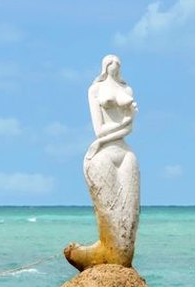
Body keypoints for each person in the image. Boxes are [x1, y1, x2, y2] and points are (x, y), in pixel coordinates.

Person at [64, 54, 141, 271]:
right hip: (104, 151)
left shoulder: (127, 90)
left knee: (129, 211)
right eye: (110, 64)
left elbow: (129, 128)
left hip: (125, 152)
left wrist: (126, 122)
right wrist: (104, 140)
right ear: (104, 67)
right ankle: (106, 252)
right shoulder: (95, 90)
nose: (115, 67)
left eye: (118, 64)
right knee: (108, 208)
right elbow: (99, 130)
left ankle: (120, 258)